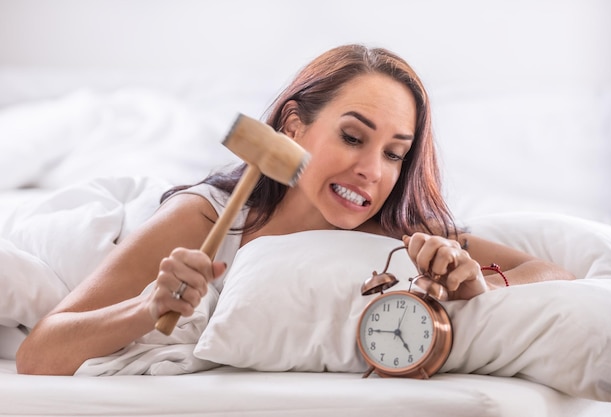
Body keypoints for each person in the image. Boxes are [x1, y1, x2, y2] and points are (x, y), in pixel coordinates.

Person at [15, 44, 575, 376]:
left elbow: (554, 275)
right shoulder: (204, 221)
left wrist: (477, 282)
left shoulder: (401, 235)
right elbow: (39, 352)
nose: (372, 171)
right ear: (292, 127)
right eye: (353, 137)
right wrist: (145, 308)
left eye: (394, 154)